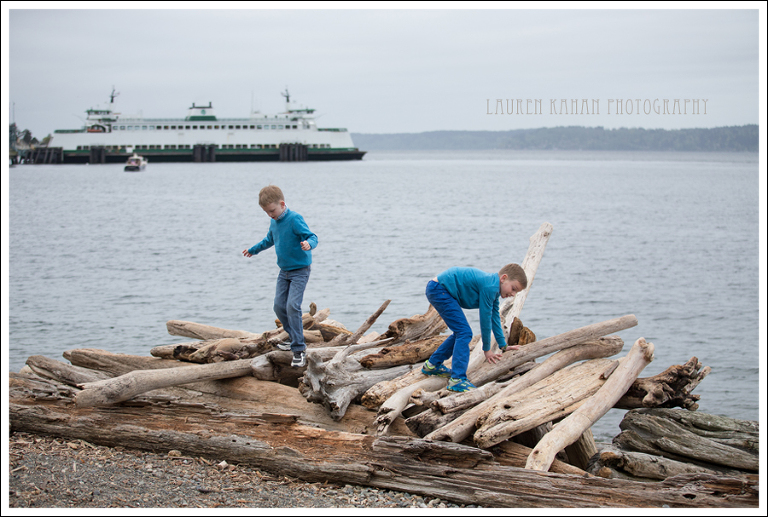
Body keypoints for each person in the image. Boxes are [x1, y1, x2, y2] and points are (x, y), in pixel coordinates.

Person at [243, 185, 318, 368]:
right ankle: (293, 338)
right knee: (278, 306)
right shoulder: (274, 221)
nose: (270, 215)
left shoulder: (294, 219)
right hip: (283, 272)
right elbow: (269, 239)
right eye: (266, 212)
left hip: (300, 270)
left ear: (282, 204)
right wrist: (254, 250)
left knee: (293, 306)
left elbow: (312, 236)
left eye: (272, 210)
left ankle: (299, 349)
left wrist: (308, 244)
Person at [421, 264, 527, 392]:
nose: (513, 294)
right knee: (464, 333)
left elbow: (494, 318)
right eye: (513, 289)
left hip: (439, 289)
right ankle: (457, 379)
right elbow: (485, 321)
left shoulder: (493, 289)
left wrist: (503, 345)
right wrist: (487, 349)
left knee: (460, 332)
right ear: (503, 278)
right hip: (440, 289)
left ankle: (432, 365)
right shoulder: (490, 287)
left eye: (516, 292)